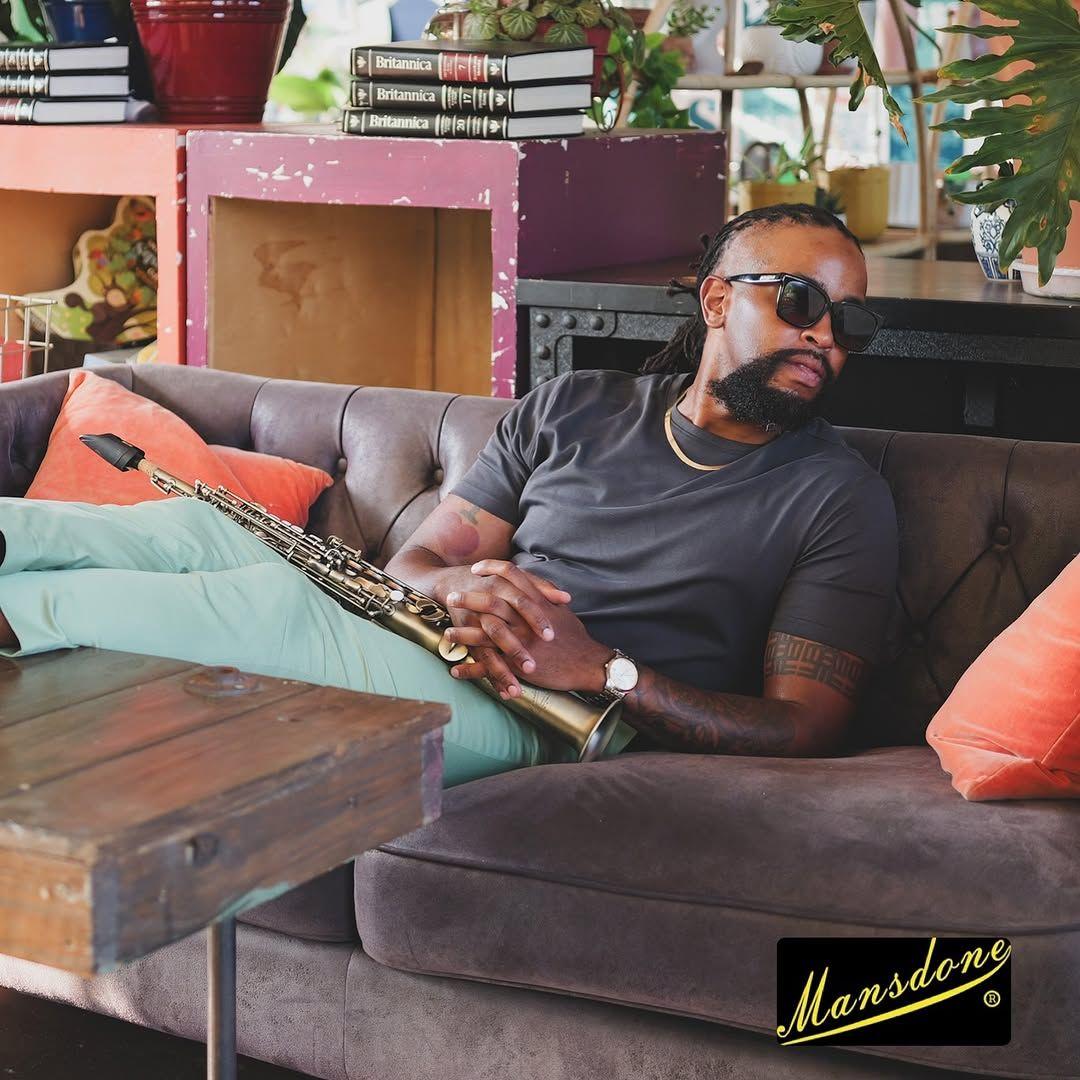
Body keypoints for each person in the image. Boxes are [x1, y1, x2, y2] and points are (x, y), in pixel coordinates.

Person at [0, 203, 898, 786]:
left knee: (274, 605)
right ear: (717, 301)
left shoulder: (838, 496)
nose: (826, 336)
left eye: (849, 320)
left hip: (554, 719)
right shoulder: (576, 405)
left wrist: (605, 670)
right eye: (799, 301)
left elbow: (805, 728)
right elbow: (419, 560)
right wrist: (457, 585)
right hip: (428, 635)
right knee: (192, 530)